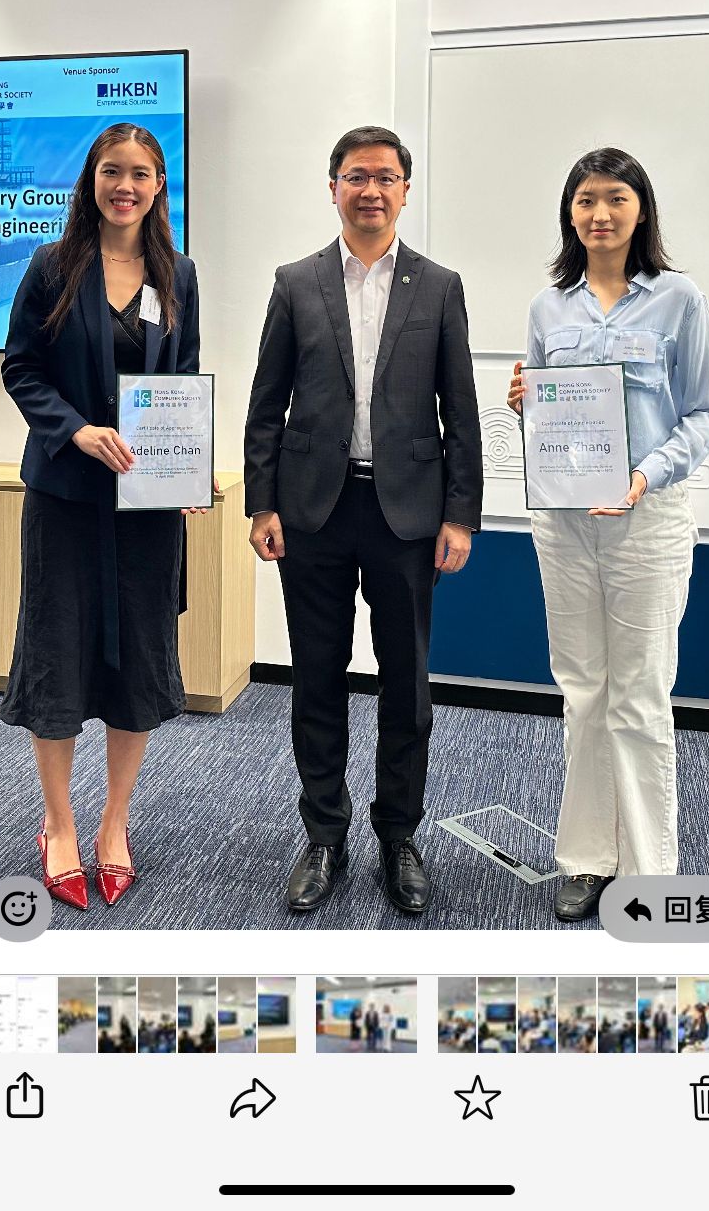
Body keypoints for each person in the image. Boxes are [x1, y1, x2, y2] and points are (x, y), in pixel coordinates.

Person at [245, 125, 483, 917]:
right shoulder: (296, 281)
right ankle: (324, 835)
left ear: (406, 190)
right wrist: (261, 501)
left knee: (406, 682)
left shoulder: (440, 285)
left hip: (407, 513)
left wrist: (461, 515)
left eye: (385, 177)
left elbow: (462, 411)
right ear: (334, 187)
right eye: (356, 177)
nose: (371, 190)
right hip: (313, 509)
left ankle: (399, 835)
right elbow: (265, 403)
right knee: (317, 678)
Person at [508, 147, 709, 922]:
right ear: (570, 213)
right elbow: (548, 416)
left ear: (641, 210)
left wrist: (648, 473)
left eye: (616, 199)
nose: (599, 214)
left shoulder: (679, 300)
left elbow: (707, 414)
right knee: (582, 689)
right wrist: (526, 403)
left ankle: (648, 871)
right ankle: (587, 858)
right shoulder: (550, 306)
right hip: (564, 525)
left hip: (647, 519)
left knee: (638, 695)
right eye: (585, 200)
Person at [0, 122, 203, 912]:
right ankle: (58, 824)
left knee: (139, 662)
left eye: (141, 173)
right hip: (66, 500)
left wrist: (186, 462)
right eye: (112, 171)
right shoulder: (53, 266)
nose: (125, 185)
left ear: (158, 187)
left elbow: (181, 379)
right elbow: (21, 366)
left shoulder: (176, 271)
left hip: (147, 508)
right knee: (56, 656)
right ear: (92, 181)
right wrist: (73, 429)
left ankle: (114, 823)